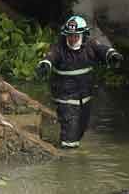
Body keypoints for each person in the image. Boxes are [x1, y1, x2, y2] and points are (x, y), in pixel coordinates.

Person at [35, 15, 122, 149]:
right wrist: (45, 65)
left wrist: (112, 55)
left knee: (81, 128)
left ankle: (68, 148)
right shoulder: (59, 48)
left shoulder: (90, 45)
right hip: (65, 97)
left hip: (85, 96)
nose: (73, 38)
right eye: (70, 35)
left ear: (83, 34)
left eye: (76, 35)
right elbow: (50, 57)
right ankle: (67, 161)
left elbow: (103, 50)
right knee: (70, 131)